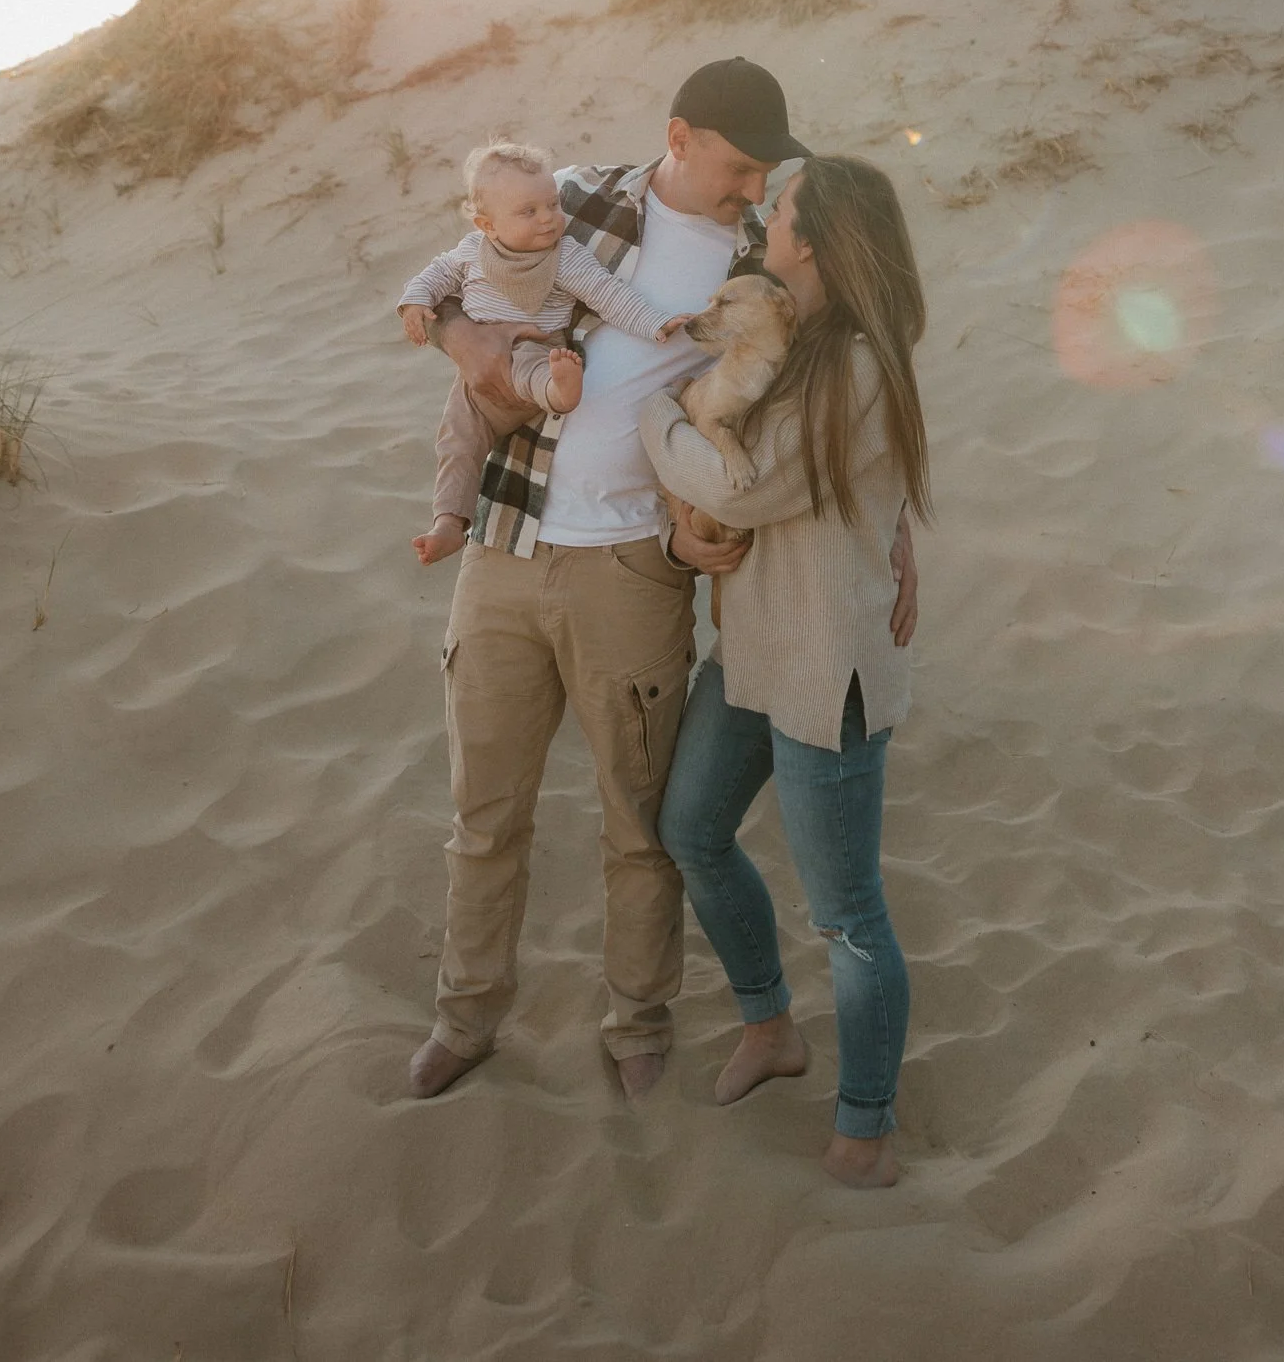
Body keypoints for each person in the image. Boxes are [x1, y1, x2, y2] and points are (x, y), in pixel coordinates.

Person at [408, 60, 920, 1104]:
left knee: (640, 824)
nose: (751, 191)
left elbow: (819, 394)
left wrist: (895, 522)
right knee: (485, 812)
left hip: (639, 564)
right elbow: (458, 286)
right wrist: (476, 352)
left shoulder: (764, 262)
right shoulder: (574, 198)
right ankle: (465, 1018)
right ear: (679, 139)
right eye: (738, 167)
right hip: (507, 540)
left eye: (765, 177)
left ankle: (638, 1023)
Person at [642, 153, 930, 1187]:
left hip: (828, 667)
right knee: (692, 830)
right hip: (755, 650)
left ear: (812, 239)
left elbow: (752, 490)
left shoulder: (855, 362)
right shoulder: (797, 341)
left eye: (783, 211)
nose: (766, 218)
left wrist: (653, 423)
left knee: (848, 916)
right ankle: (770, 1025)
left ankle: (867, 1127)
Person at [398, 139, 695, 565]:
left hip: (536, 357)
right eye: (528, 212)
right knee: (457, 441)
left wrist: (654, 324)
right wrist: (414, 303)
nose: (548, 220)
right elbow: (435, 274)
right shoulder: (471, 252)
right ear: (487, 225)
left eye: (552, 205)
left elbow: (608, 294)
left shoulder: (565, 256)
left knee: (530, 363)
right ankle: (448, 521)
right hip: (475, 384)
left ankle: (560, 392)